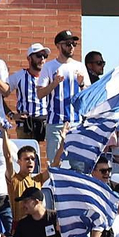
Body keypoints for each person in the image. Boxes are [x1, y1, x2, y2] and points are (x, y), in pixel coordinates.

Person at [36, 30, 88, 165]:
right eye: (68, 44)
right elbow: (40, 93)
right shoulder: (49, 66)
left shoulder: (80, 66)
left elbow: (87, 95)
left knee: (78, 165)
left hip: (76, 122)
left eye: (73, 44)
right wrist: (54, 83)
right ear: (58, 46)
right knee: (54, 164)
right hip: (55, 122)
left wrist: (81, 83)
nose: (71, 47)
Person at [11, 43, 50, 142]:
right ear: (29, 58)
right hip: (25, 125)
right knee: (25, 155)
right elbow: (0, 94)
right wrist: (11, 115)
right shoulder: (19, 76)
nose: (42, 59)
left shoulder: (50, 76)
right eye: (38, 56)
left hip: (45, 124)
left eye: (44, 56)